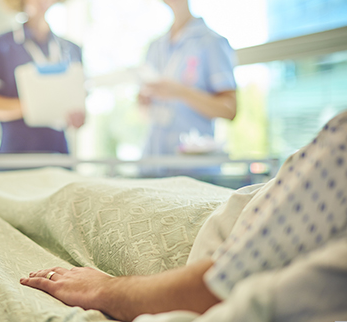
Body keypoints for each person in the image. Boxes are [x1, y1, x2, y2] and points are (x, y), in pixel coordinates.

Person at [21, 110, 347, 322]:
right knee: (74, 191)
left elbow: (214, 286)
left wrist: (103, 289)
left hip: (190, 223)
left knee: (74, 195)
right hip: (197, 198)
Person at [0, 0, 85, 154]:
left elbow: (80, 109)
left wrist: (77, 118)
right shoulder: (4, 44)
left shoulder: (71, 49)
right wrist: (32, 106)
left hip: (59, 155)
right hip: (16, 154)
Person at [138, 0, 237, 157]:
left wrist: (181, 92)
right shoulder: (155, 48)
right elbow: (144, 107)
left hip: (192, 165)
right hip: (153, 160)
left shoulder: (211, 42)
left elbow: (230, 110)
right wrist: (143, 99)